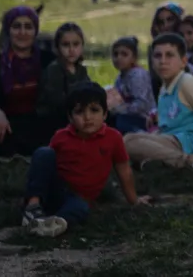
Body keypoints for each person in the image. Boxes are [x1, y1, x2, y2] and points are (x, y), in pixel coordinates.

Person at [21, 82, 150, 237]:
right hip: (54, 192)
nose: (87, 117)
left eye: (94, 110)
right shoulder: (61, 137)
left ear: (105, 114)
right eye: (80, 112)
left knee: (81, 208)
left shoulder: (113, 138)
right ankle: (33, 208)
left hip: (78, 199)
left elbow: (124, 170)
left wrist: (134, 201)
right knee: (44, 153)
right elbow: (44, 169)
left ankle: (53, 224)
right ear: (70, 116)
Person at [123, 33, 193, 170]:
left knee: (128, 142)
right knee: (128, 139)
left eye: (169, 55)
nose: (163, 61)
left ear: (183, 62)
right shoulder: (164, 88)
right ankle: (156, 162)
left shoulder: (187, 82)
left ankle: (190, 163)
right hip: (172, 139)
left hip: (188, 143)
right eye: (157, 56)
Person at [0, 6, 55, 157]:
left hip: (40, 122)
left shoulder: (48, 60)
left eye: (28, 27)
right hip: (7, 122)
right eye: (17, 26)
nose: (22, 32)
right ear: (8, 30)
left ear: (35, 31)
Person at [36, 23, 91, 132]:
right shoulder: (54, 70)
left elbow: (89, 90)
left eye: (76, 44)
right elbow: (56, 104)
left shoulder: (81, 70)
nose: (71, 49)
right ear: (57, 47)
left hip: (77, 118)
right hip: (55, 123)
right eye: (66, 45)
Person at [108, 37, 156, 135]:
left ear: (134, 58)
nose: (119, 58)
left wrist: (121, 109)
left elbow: (143, 105)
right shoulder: (120, 77)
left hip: (145, 118)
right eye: (115, 54)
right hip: (128, 115)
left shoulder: (138, 75)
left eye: (124, 54)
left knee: (120, 122)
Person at [149, 2, 185, 99]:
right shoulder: (154, 48)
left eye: (170, 20)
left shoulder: (189, 42)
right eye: (161, 22)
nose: (166, 25)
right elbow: (155, 80)